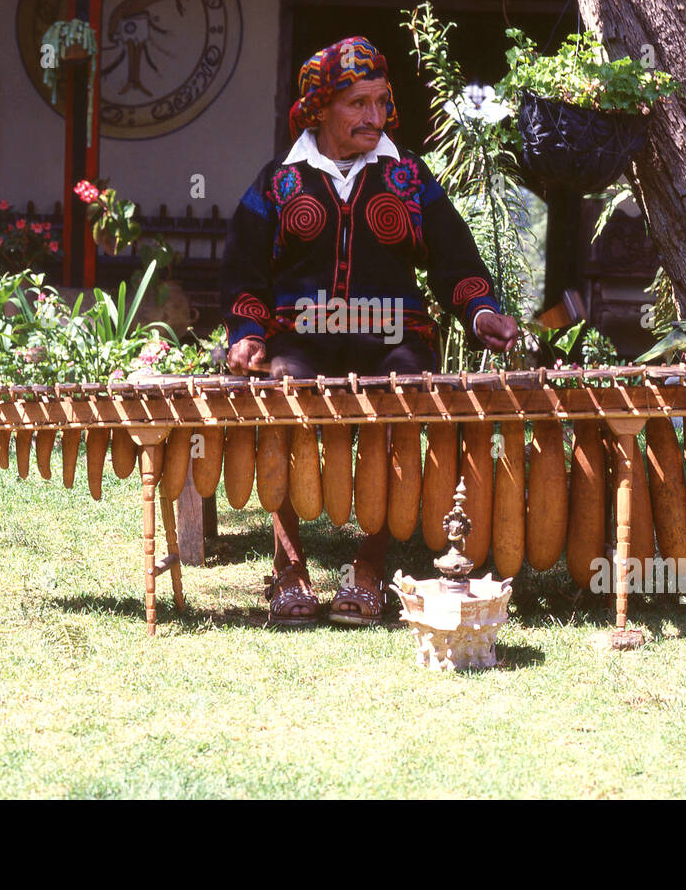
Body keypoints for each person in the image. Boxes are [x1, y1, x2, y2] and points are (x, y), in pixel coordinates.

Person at [220, 36, 518, 625]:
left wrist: (481, 312)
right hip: (300, 335)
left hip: (392, 334)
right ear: (319, 107)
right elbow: (243, 272)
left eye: (381, 102)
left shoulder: (408, 179)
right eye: (357, 102)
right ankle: (290, 571)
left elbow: (455, 258)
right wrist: (248, 333)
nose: (374, 116)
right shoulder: (278, 183)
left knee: (405, 393)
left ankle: (370, 568)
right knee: (286, 394)